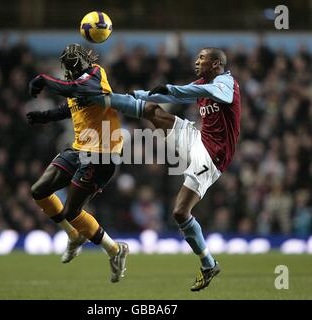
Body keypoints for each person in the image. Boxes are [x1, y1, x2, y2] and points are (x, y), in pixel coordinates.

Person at [78, 47, 241, 291]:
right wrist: (137, 94)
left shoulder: (227, 83)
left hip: (213, 156)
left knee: (180, 212)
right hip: (198, 139)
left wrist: (174, 90)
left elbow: (210, 95)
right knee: (153, 111)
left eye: (202, 58)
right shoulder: (200, 84)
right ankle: (104, 99)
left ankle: (208, 264)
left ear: (216, 63)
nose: (196, 61)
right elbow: (173, 96)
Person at [27, 43, 129, 283]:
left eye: (75, 60)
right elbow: (72, 106)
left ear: (85, 59)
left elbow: (78, 91)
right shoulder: (76, 85)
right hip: (79, 148)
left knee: (72, 211)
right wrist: (47, 116)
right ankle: (73, 236)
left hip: (102, 154)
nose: (73, 64)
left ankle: (115, 250)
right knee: (38, 190)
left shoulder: (96, 75)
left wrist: (44, 79)